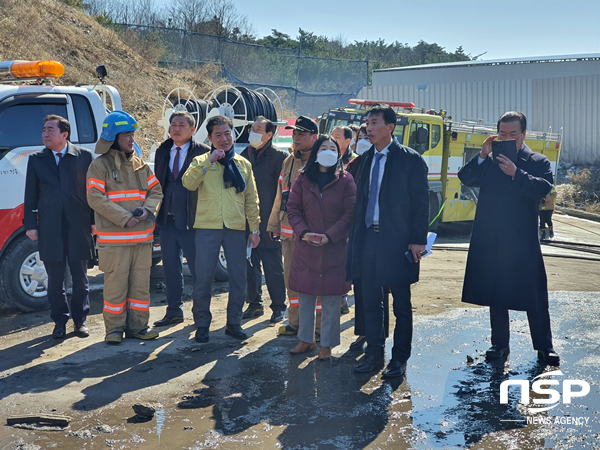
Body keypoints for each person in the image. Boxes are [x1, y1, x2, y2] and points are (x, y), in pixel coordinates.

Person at [458, 111, 560, 366]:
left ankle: (544, 346)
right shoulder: (490, 161)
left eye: (513, 134)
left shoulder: (537, 160)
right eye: (502, 134)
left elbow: (543, 188)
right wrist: (482, 155)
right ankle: (500, 345)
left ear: (524, 135)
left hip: (522, 240)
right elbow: (465, 178)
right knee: (497, 293)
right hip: (492, 238)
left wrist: (516, 173)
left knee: (534, 294)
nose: (507, 138)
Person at [347, 103, 429, 378]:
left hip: (398, 241)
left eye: (373, 123)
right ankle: (374, 353)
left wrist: (418, 240)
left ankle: (399, 359)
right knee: (370, 299)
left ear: (389, 127)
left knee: (401, 303)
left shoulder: (410, 159)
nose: (368, 128)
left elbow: (421, 203)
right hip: (369, 238)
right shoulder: (366, 158)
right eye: (367, 123)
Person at [182, 115, 260, 343]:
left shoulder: (243, 164)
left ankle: (233, 323)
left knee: (238, 277)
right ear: (209, 138)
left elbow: (251, 199)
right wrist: (209, 162)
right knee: (203, 278)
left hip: (236, 227)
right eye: (218, 135)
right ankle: (202, 324)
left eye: (228, 133)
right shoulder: (202, 161)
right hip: (207, 226)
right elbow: (188, 183)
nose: (224, 138)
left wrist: (254, 229)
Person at [87, 111, 163, 345]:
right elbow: (95, 197)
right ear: (113, 137)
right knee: (116, 289)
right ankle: (114, 330)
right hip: (115, 241)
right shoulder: (99, 166)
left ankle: (139, 327)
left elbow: (156, 191)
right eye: (127, 135)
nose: (132, 139)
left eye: (133, 134)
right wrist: (124, 218)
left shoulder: (140, 165)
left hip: (142, 240)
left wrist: (148, 211)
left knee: (140, 287)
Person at [24, 115, 94, 339]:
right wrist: (30, 225)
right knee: (54, 280)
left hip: (78, 225)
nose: (45, 133)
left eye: (50, 130)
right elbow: (30, 194)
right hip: (50, 227)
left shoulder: (83, 156)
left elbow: (91, 192)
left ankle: (80, 321)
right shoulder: (36, 159)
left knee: (80, 278)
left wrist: (94, 222)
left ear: (64, 135)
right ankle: (60, 322)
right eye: (44, 129)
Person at [286, 135, 356, 360]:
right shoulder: (303, 179)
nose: (328, 151)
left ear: (339, 153)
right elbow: (293, 209)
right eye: (323, 148)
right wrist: (304, 233)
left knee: (332, 300)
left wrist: (330, 235)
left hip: (334, 249)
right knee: (306, 296)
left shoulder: (346, 180)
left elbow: (350, 214)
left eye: (332, 148)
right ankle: (305, 340)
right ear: (316, 153)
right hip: (306, 247)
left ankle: (326, 345)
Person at [267, 115, 322, 338]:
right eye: (294, 134)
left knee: (315, 283)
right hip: (289, 234)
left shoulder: (321, 161)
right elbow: (280, 195)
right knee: (292, 280)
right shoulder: (288, 161)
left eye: (301, 134)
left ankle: (317, 328)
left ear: (314, 137)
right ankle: (295, 322)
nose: (296, 137)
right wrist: (273, 224)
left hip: (312, 236)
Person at [153, 111, 210, 327]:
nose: (176, 128)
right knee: (170, 268)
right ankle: (174, 310)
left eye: (181, 125)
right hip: (167, 219)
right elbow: (159, 183)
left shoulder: (203, 152)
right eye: (173, 124)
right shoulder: (163, 150)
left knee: (198, 269)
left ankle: (200, 313)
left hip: (192, 220)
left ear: (192, 129)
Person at [345, 123, 390, 353]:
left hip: (381, 234)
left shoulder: (388, 160)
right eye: (360, 136)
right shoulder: (355, 163)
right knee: (361, 286)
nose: (363, 138)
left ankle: (379, 337)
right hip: (358, 232)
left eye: (366, 134)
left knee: (380, 290)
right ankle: (364, 332)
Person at [240, 116, 288, 322]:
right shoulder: (244, 155)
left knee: (273, 268)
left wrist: (279, 220)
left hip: (269, 222)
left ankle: (278, 307)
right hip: (247, 222)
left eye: (258, 129)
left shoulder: (280, 158)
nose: (253, 132)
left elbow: (285, 193)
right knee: (249, 266)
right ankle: (254, 305)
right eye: (253, 128)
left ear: (269, 135)